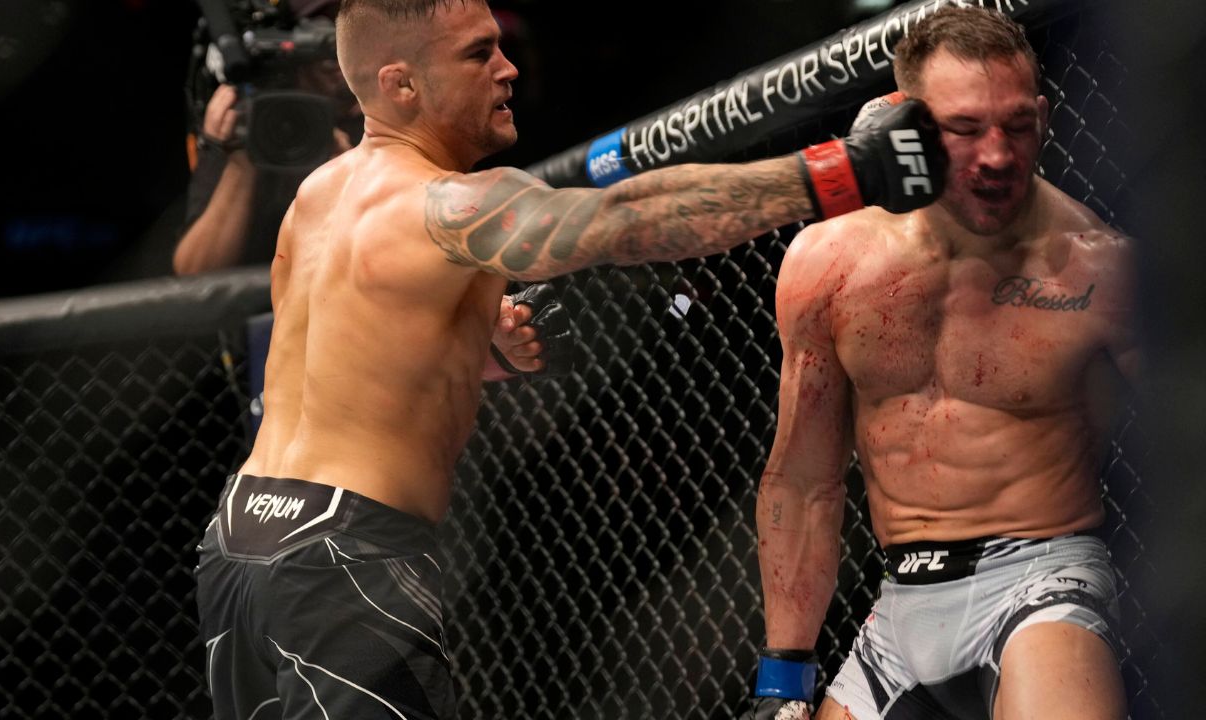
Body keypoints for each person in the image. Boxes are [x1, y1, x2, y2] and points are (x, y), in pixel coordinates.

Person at [193, 0, 946, 718]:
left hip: (242, 539)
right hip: (342, 555)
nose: (508, 67)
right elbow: (625, 221)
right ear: (401, 83)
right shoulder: (448, 206)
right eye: (477, 52)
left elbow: (344, 360)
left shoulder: (319, 194)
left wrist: (483, 356)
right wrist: (841, 172)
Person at [745, 7, 1139, 720]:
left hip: (1043, 587)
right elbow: (804, 479)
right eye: (964, 129)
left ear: (1044, 117)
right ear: (907, 125)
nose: (996, 154)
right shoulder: (828, 264)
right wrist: (783, 684)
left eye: (1016, 125)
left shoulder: (1097, 269)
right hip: (896, 613)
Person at [173, 0, 363, 275]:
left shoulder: (393, 113)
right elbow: (195, 275)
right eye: (322, 24)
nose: (336, 41)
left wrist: (353, 174)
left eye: (347, 22)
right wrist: (244, 162)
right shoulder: (247, 119)